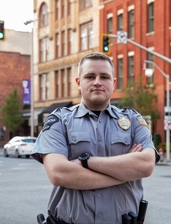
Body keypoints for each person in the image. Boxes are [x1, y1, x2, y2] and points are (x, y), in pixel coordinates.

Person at [31, 52, 160, 224]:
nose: (97, 82)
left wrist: (86, 162)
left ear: (113, 83)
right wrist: (125, 172)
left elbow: (145, 165)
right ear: (79, 82)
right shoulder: (59, 120)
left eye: (104, 77)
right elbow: (58, 173)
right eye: (90, 76)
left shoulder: (133, 120)